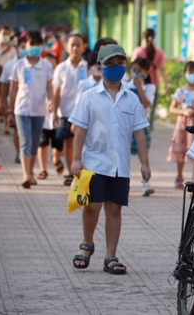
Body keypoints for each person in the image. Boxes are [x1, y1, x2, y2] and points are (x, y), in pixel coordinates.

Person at [69, 44, 151, 274]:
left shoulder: (131, 99)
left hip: (120, 165)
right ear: (99, 67)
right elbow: (80, 130)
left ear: (125, 66)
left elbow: (139, 133)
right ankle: (87, 244)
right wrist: (76, 159)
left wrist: (145, 163)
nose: (115, 68)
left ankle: (110, 256)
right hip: (94, 162)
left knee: (114, 209)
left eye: (119, 63)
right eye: (109, 64)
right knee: (92, 205)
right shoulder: (89, 97)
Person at [7, 31, 54, 188]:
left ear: (42, 46)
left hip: (39, 110)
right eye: (31, 44)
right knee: (25, 141)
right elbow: (13, 89)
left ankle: (31, 173)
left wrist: (51, 101)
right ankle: (26, 175)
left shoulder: (46, 66)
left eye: (37, 44)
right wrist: (10, 109)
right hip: (21, 110)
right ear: (25, 46)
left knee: (34, 143)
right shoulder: (18, 65)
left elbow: (50, 88)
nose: (34, 47)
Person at [167, 61, 194, 189]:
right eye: (190, 72)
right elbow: (172, 108)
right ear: (185, 74)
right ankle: (179, 176)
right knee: (181, 150)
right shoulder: (180, 91)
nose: (193, 75)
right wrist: (183, 112)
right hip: (183, 126)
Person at [53, 34, 88, 186]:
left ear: (83, 47)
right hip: (66, 112)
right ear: (66, 47)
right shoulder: (61, 68)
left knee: (83, 144)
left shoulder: (88, 67)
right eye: (72, 45)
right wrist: (54, 112)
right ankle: (71, 173)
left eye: (78, 45)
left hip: (85, 113)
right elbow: (56, 92)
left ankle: (83, 171)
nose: (75, 48)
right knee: (68, 143)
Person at [123, 58, 156, 196]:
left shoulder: (150, 87)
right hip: (126, 123)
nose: (136, 73)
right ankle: (123, 182)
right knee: (124, 154)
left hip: (141, 124)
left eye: (140, 71)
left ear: (146, 73)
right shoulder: (124, 85)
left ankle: (145, 182)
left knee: (143, 155)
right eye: (134, 70)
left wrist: (140, 87)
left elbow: (147, 104)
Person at [131, 29, 170, 125]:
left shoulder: (138, 51)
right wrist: (166, 84)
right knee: (151, 107)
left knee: (138, 104)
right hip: (154, 82)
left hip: (139, 81)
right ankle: (149, 126)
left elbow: (134, 66)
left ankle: (140, 125)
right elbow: (162, 70)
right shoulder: (159, 52)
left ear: (144, 37)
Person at [36, 54, 64, 180]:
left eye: (51, 65)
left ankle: (56, 160)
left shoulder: (59, 82)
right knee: (42, 144)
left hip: (57, 118)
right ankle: (43, 169)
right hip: (43, 118)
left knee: (58, 146)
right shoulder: (38, 80)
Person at [0, 35, 26, 163]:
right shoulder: (10, 65)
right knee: (17, 129)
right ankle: (19, 153)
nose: (25, 49)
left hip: (33, 105)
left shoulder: (40, 64)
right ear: (17, 48)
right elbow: (4, 85)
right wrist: (3, 102)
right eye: (22, 47)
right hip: (15, 104)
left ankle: (27, 153)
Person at [0, 26, 17, 136]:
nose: (5, 35)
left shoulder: (12, 48)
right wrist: (1, 53)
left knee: (5, 99)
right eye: (3, 33)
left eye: (7, 33)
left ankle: (6, 125)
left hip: (8, 74)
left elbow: (15, 61)